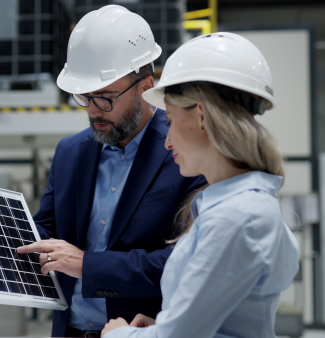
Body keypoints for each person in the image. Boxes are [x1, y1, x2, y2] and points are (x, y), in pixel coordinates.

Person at [0, 5, 206, 337]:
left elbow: (184, 262)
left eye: (106, 97)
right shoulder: (70, 152)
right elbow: (42, 236)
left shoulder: (184, 153)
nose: (94, 110)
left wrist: (88, 266)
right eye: (84, 96)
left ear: (145, 86)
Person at [100, 32, 300, 338]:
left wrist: (117, 334)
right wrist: (164, 325)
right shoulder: (241, 206)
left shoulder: (236, 216)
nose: (166, 142)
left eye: (169, 121)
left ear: (202, 115)